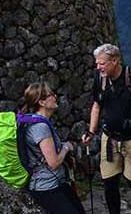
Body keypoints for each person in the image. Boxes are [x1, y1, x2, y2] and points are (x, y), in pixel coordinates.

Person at [81, 44, 131, 214]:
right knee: (109, 182)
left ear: (115, 60)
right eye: (97, 63)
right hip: (109, 138)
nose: (97, 67)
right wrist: (91, 131)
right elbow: (96, 105)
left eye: (101, 63)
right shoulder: (99, 79)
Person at [21, 82, 86, 214]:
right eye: (51, 94)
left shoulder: (34, 122)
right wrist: (66, 148)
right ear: (42, 102)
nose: (55, 96)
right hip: (46, 187)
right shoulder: (40, 127)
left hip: (54, 183)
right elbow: (54, 163)